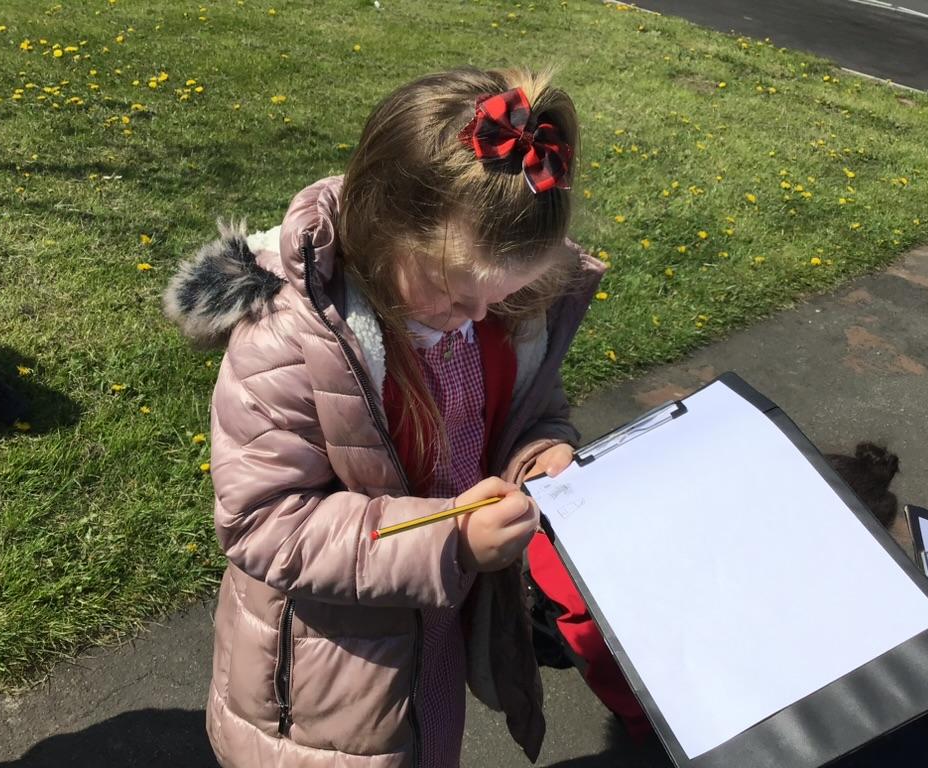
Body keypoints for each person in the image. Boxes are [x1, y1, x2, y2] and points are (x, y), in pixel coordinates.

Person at [163, 66, 604, 768]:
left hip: (438, 624)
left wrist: (540, 451)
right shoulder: (289, 336)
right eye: (454, 293)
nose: (477, 316)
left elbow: (531, 404)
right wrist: (449, 540)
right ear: (385, 226)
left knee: (430, 744)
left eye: (501, 295)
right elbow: (263, 521)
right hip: (329, 667)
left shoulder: (494, 313)